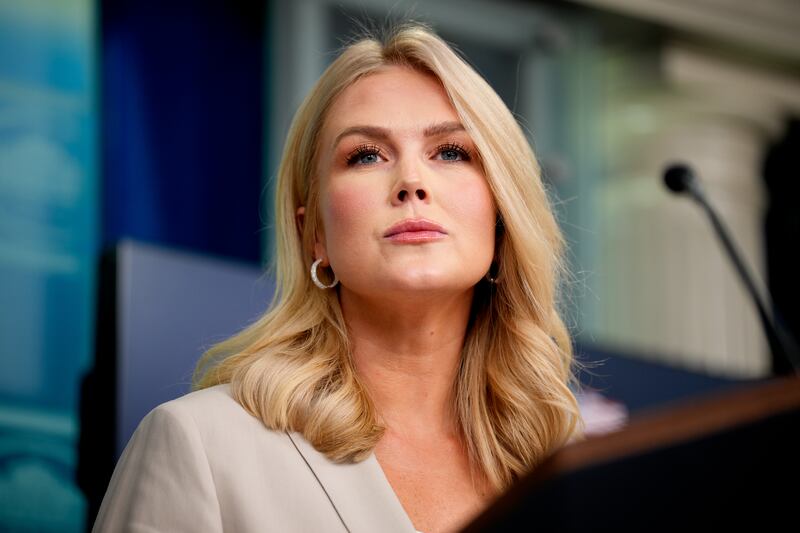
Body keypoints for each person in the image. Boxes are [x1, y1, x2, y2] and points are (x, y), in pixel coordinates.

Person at [93, 22, 583, 533]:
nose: (412, 182)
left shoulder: (565, 470)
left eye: (451, 152)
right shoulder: (201, 443)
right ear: (315, 235)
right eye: (366, 156)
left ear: (502, 219)